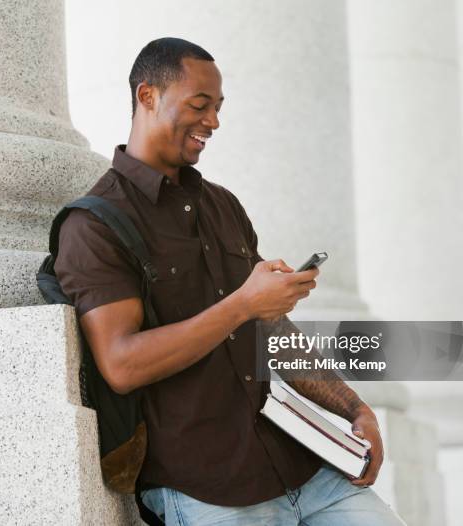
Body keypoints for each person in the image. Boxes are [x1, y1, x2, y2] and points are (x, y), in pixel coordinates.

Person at [55, 37, 406, 526]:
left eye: (218, 108)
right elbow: (121, 363)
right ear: (147, 95)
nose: (214, 122)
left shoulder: (223, 206)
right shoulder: (94, 226)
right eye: (200, 105)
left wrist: (354, 408)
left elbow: (272, 333)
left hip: (308, 470)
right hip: (207, 493)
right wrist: (244, 304)